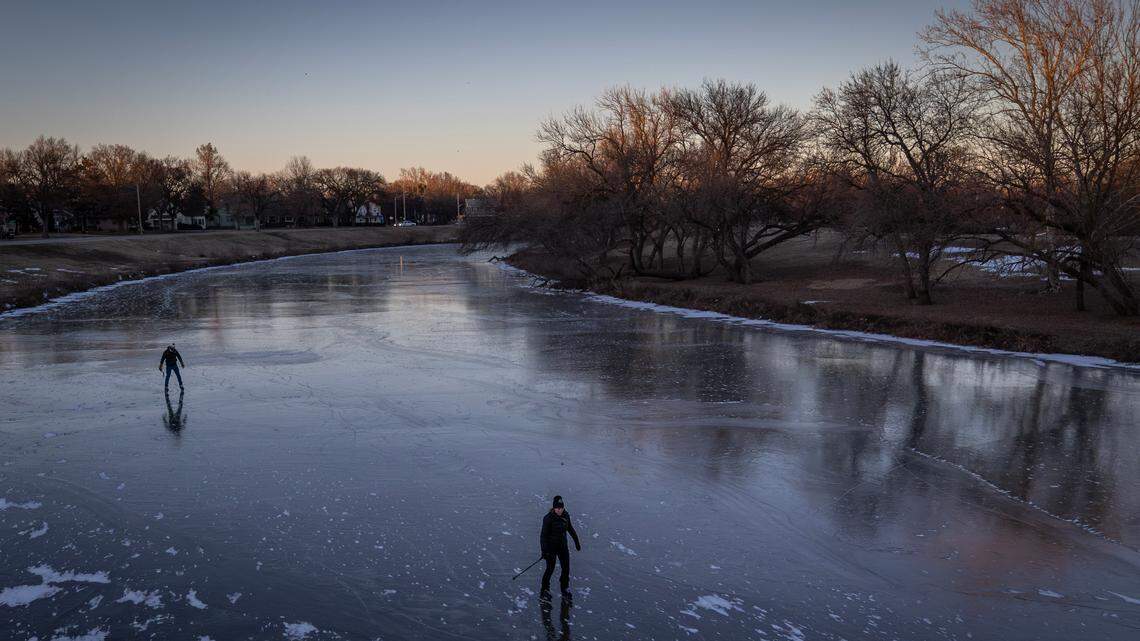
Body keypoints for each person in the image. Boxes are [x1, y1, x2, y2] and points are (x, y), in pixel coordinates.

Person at [539, 495, 581, 600]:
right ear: (554, 508)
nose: (560, 510)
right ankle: (544, 588)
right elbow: (543, 536)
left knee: (566, 568)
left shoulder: (566, 515)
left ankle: (565, 587)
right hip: (551, 548)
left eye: (561, 508)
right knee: (550, 568)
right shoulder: (548, 518)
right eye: (557, 508)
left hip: (563, 546)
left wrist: (576, 542)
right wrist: (544, 551)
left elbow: (570, 529)